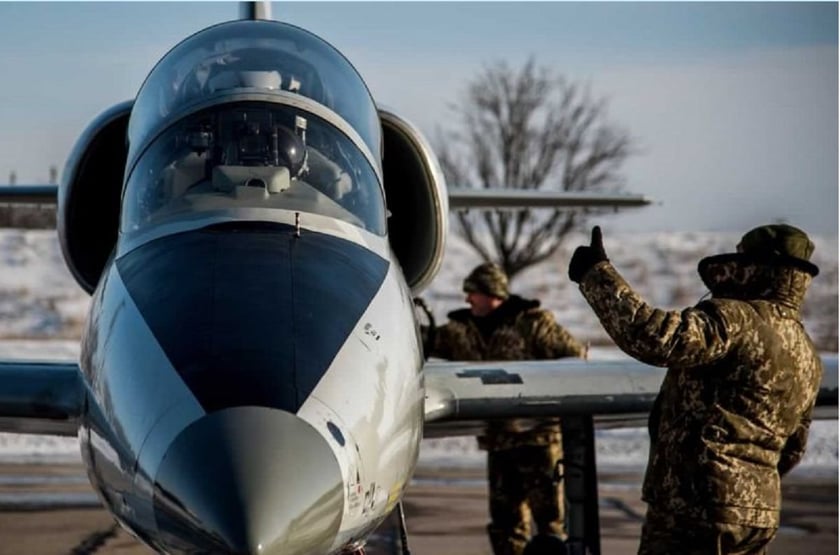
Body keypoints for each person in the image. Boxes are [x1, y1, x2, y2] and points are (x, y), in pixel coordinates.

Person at [567, 224, 823, 555]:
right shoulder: (806, 350)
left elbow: (655, 338)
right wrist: (748, 484)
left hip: (698, 507)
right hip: (758, 514)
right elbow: (793, 447)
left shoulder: (736, 319)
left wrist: (597, 275)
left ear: (752, 266)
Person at [426, 262, 587, 555]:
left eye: (473, 293)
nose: (468, 299)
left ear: (493, 294)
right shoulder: (460, 331)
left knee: (550, 523)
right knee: (505, 523)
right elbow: (424, 340)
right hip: (499, 442)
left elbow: (575, 361)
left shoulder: (533, 324)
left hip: (539, 442)